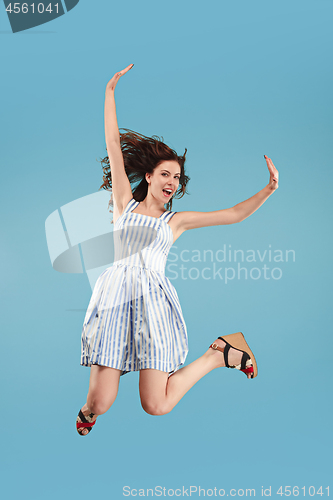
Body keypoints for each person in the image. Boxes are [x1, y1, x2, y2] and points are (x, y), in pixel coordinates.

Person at [76, 63, 279, 436]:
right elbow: (112, 146)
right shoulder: (125, 204)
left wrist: (268, 189)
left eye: (177, 177)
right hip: (114, 302)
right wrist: (109, 93)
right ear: (150, 176)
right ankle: (87, 411)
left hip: (152, 306)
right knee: (100, 403)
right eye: (165, 174)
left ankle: (219, 353)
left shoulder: (176, 222)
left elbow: (233, 215)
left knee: (157, 405)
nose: (172, 181)